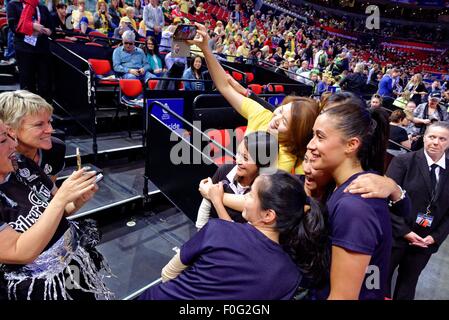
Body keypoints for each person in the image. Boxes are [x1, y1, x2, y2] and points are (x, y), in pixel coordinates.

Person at [138, 171, 329, 300]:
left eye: (251, 195)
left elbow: (168, 273)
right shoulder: (291, 277)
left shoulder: (218, 229)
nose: (244, 199)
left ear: (268, 215)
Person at [0, 119, 112, 300]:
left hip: (72, 262)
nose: (14, 144)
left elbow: (58, 211)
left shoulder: (22, 164)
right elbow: (19, 251)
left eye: (9, 135)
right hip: (38, 287)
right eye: (3, 140)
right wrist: (60, 201)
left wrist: (75, 201)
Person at [189, 23, 319, 174]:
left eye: (284, 121)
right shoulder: (263, 115)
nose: (276, 118)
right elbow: (223, 86)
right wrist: (205, 49)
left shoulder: (291, 162)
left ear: (296, 132)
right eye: (280, 111)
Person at [307, 92, 392, 299]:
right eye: (313, 135)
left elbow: (343, 296)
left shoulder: (353, 208)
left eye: (320, 137)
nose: (310, 144)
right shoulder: (340, 186)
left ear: (351, 145)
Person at [386, 121, 449, 300]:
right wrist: (405, 231)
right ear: (424, 138)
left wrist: (435, 237)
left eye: (442, 139)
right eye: (432, 137)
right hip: (396, 236)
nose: (436, 142)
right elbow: (385, 200)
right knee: (380, 281)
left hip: (424, 242)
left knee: (408, 284)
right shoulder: (403, 162)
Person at [196, 131, 277, 228]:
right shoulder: (225, 170)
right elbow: (206, 203)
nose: (238, 161)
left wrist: (216, 199)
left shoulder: (263, 190)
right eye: (238, 153)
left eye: (245, 158)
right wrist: (200, 229)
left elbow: (236, 235)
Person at [0, 90, 65, 182]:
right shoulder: (2, 161)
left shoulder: (56, 148)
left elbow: (48, 193)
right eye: (39, 124)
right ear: (11, 130)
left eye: (49, 121)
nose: (50, 130)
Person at [7, 0, 53, 103]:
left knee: (45, 82)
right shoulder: (14, 5)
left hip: (42, 48)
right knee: (27, 81)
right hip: (24, 47)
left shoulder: (42, 7)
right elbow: (14, 26)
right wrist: (32, 26)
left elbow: (51, 26)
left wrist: (48, 31)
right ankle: (28, 110)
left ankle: (44, 110)